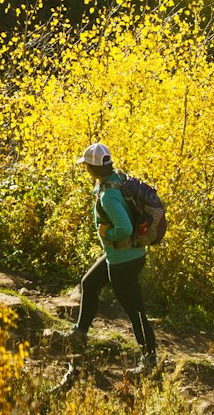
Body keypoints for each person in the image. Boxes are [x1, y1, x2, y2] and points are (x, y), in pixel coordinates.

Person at [51, 141, 158, 375]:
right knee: (88, 283)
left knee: (135, 312)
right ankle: (80, 334)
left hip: (123, 261)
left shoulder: (109, 195)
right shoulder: (117, 180)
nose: (85, 168)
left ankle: (149, 361)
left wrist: (106, 233)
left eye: (86, 165)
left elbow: (125, 229)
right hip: (125, 255)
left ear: (92, 168)